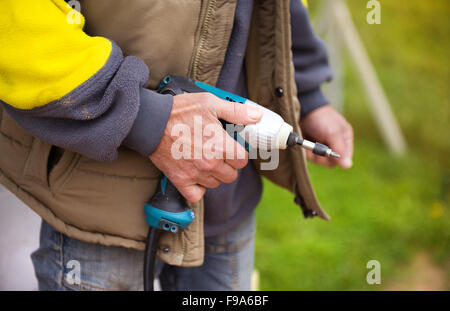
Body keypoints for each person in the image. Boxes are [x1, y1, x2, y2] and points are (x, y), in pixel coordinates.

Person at [0, 0, 353, 290]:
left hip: (227, 208)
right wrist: (144, 118)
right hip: (102, 214)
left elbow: (275, 10)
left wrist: (305, 92)